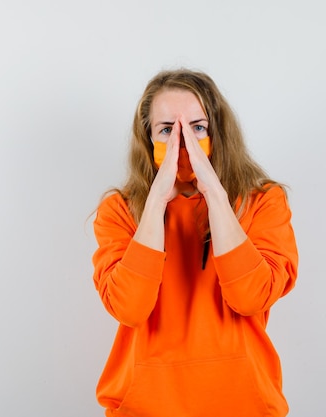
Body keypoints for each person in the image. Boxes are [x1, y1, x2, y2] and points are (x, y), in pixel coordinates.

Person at [91, 68, 298, 416]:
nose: (182, 143)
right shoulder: (119, 211)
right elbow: (129, 308)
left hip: (243, 404)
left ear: (218, 132)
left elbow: (252, 298)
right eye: (168, 130)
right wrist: (156, 202)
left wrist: (214, 193)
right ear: (148, 138)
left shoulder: (263, 202)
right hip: (145, 407)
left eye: (197, 128)